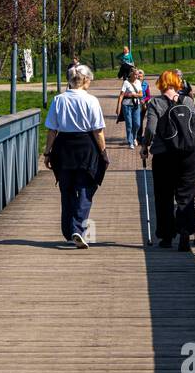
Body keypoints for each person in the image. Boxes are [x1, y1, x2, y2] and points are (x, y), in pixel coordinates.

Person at [43, 65, 108, 249]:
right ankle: (77, 228)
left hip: (63, 147)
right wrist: (103, 152)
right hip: (86, 147)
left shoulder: (58, 100)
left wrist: (47, 152)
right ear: (86, 80)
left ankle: (68, 229)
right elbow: (98, 131)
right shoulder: (91, 101)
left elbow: (52, 130)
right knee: (86, 188)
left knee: (67, 189)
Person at [139, 69, 195, 251]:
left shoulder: (155, 103)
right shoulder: (189, 102)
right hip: (188, 155)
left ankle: (166, 237)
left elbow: (150, 129)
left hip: (163, 155)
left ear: (160, 84)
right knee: (186, 195)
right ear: (177, 83)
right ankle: (185, 231)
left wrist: (145, 147)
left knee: (164, 196)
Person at [116, 69, 143, 148]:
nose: (136, 76)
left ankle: (134, 137)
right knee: (129, 124)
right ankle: (130, 142)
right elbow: (121, 95)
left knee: (137, 124)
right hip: (126, 106)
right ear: (131, 74)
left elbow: (141, 94)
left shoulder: (138, 82)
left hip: (136, 105)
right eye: (135, 74)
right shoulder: (126, 82)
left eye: (137, 75)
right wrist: (118, 107)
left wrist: (133, 95)